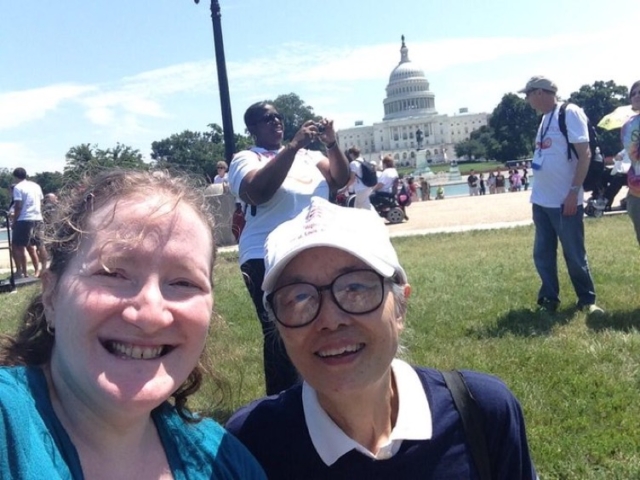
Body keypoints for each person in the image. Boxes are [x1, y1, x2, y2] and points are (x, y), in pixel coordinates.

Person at [226, 197, 539, 480]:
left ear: (400, 306)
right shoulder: (249, 443)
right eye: (299, 298)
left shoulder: (481, 414)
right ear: (278, 326)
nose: (330, 320)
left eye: (356, 289)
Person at [0, 169, 266, 479]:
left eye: (183, 282)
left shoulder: (226, 463)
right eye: (113, 274)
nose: (150, 315)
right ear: (51, 296)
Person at [228, 101, 349, 395]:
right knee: (279, 329)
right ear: (252, 128)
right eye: (267, 118)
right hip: (264, 254)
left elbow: (340, 179)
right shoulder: (246, 158)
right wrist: (292, 147)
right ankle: (282, 403)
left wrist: (331, 143)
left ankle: (316, 391)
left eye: (278, 117)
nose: (276, 122)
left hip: (309, 249)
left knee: (316, 321)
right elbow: (258, 192)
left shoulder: (310, 157)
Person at [519, 75, 602, 313]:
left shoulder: (570, 113)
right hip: (542, 200)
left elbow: (584, 154)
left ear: (539, 93)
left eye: (528, 94)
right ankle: (549, 298)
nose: (527, 100)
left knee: (574, 253)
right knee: (543, 253)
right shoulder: (545, 119)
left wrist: (573, 192)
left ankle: (587, 299)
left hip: (565, 199)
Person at [10, 167, 46, 278]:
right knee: (40, 245)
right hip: (38, 217)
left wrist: (14, 221)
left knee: (16, 245)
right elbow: (41, 201)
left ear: (16, 177)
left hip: (24, 219)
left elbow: (18, 206)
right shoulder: (36, 186)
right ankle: (44, 269)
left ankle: (21, 271)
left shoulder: (18, 187)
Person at [622, 80, 640, 244]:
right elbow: (631, 155)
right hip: (636, 192)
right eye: (633, 93)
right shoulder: (628, 125)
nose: (636, 96)